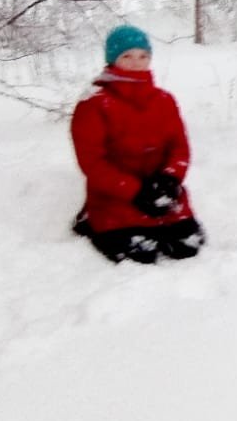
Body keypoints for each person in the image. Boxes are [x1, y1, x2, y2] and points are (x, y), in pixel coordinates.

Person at [70, 24, 205, 264]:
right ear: (113, 59)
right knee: (143, 255)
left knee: (187, 247)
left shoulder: (164, 100)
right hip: (117, 197)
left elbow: (179, 147)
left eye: (143, 56)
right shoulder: (94, 104)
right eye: (127, 56)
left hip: (162, 192)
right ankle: (91, 220)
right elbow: (92, 162)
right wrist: (135, 191)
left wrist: (170, 179)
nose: (136, 63)